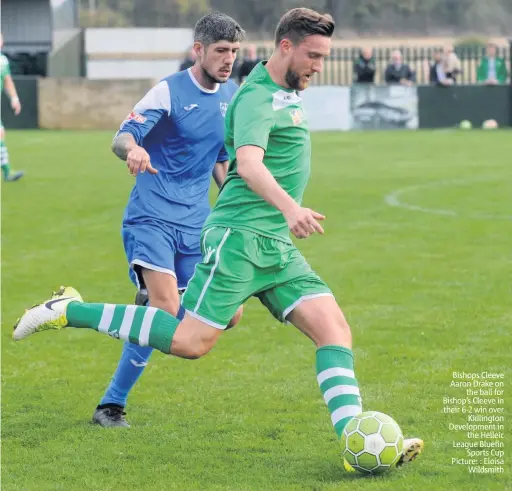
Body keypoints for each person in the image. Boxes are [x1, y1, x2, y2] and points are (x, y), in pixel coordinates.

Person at [13, 7, 423, 470]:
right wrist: (290, 208)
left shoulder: (265, 94)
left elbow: (228, 167)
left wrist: (259, 206)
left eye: (323, 57)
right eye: (313, 55)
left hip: (258, 239)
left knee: (331, 330)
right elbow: (244, 162)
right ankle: (71, 314)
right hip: (211, 230)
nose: (318, 66)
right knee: (183, 332)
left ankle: (354, 443)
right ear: (284, 47)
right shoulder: (242, 96)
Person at [95, 12, 244, 427]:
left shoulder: (232, 96)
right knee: (164, 308)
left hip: (198, 224)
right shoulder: (167, 92)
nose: (228, 59)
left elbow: (220, 159)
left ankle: (130, 317)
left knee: (228, 315)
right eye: (220, 51)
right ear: (199, 50)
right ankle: (111, 405)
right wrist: (135, 151)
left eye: (233, 51)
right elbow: (121, 138)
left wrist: (237, 201)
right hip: (152, 217)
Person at [0, 33, 24, 182]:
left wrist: (14, 98)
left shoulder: (2, 60)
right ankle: (7, 172)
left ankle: (7, 172)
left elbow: (7, 80)